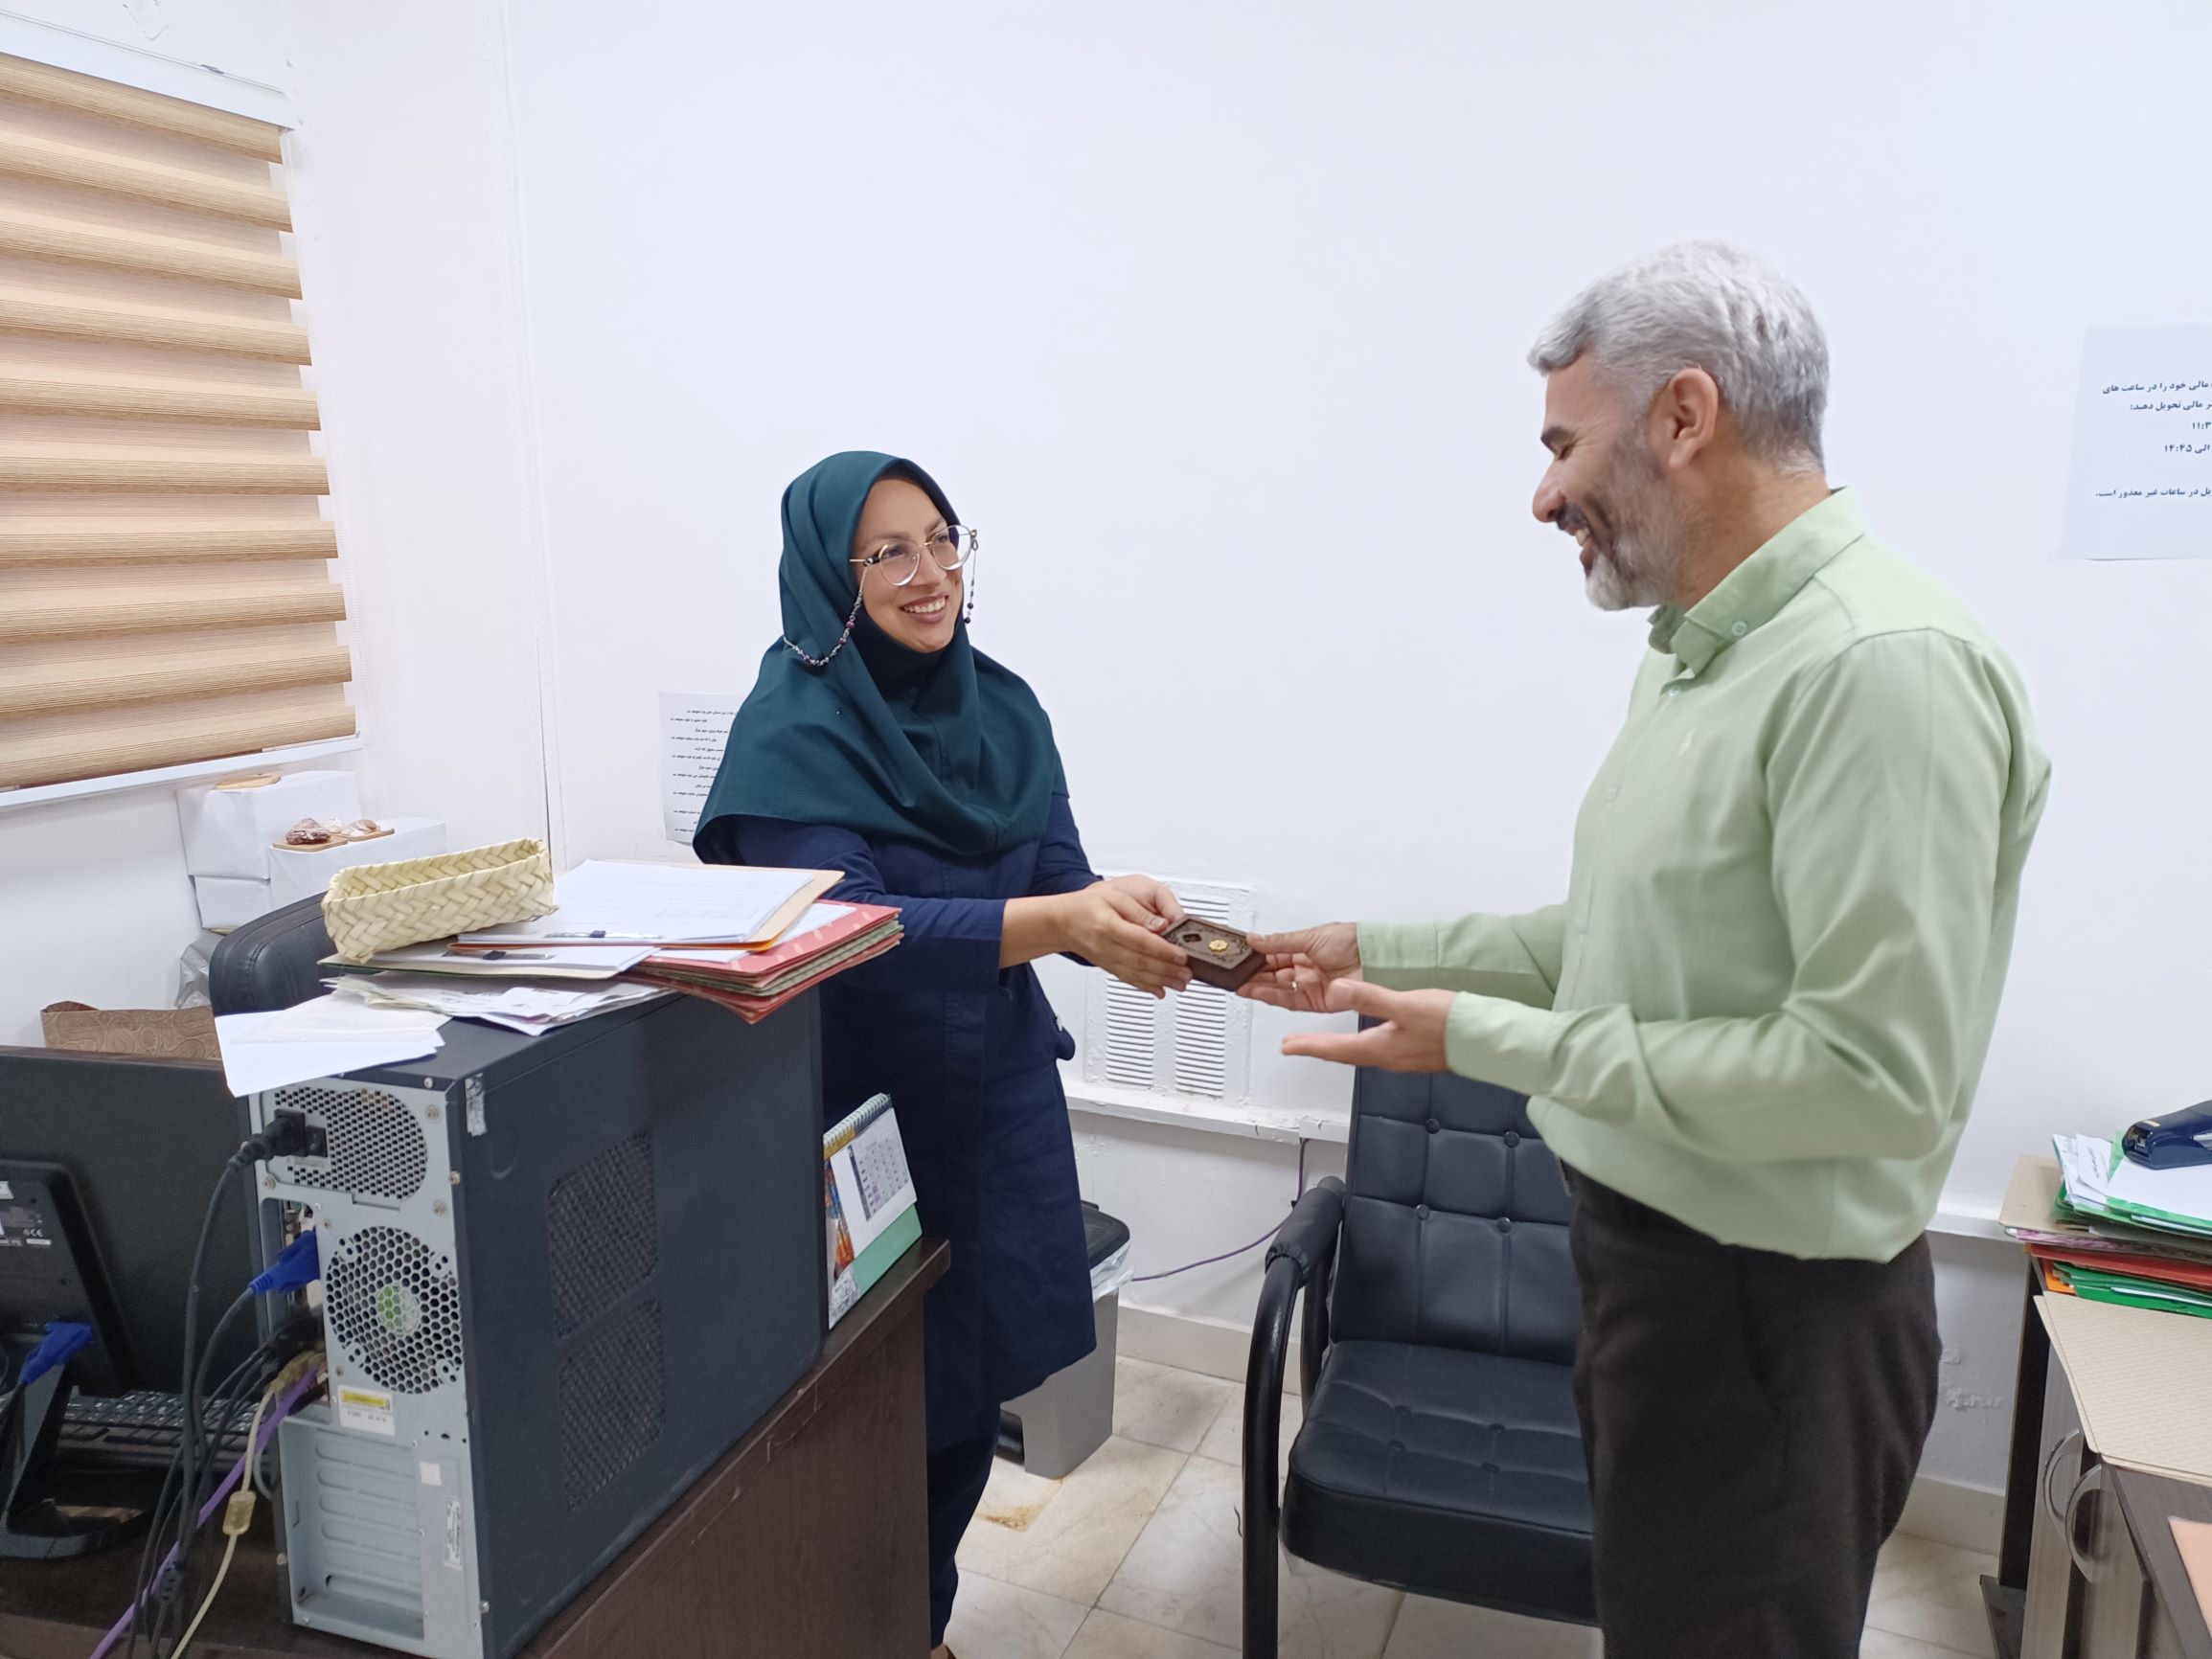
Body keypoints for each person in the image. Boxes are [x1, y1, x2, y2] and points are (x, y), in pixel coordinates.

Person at [1244, 242, 2050, 1659]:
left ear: (1684, 416)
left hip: (1768, 1320)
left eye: (1563, 445)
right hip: (1656, 1283)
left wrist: (1476, 1039)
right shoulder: (1702, 654)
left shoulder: (1877, 667)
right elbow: (1620, 940)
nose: (1543, 495)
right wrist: (1369, 947)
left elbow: (1867, 1076)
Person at [694, 451, 1192, 1658]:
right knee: (859, 1406)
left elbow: (1058, 878)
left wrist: (1117, 916)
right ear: (830, 580)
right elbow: (853, 934)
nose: (931, 574)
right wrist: (1057, 922)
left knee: (967, 1391)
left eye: (943, 538)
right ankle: (852, 1625)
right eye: (889, 553)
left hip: (997, 1099)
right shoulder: (791, 734)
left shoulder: (1002, 709)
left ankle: (916, 1624)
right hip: (855, 1117)